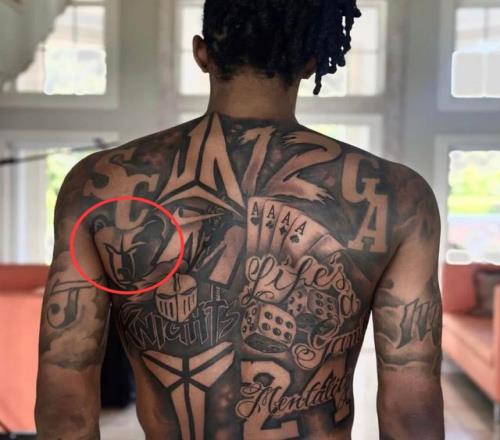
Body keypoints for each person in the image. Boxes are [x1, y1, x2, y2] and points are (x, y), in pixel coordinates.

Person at [35, 0, 445, 438]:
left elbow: (66, 391)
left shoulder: (96, 186)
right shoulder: (401, 198)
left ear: (201, 53)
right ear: (311, 61)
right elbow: (410, 405)